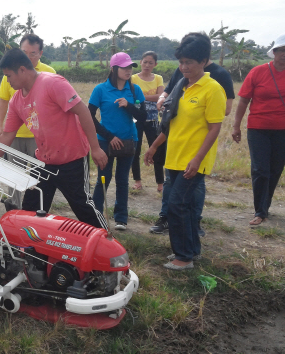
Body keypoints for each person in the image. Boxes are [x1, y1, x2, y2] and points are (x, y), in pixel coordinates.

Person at [0, 48, 108, 229]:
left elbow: (83, 111)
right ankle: (33, 248)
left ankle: (108, 244)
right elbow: (8, 134)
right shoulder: (16, 100)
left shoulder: (52, 83)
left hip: (72, 159)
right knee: (31, 207)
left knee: (83, 207)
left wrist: (96, 148)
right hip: (44, 162)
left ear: (22, 70)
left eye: (9, 76)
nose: (7, 81)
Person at [144, 33, 226, 270]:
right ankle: (191, 250)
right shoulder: (182, 86)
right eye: (181, 62)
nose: (184, 67)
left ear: (204, 61)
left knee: (176, 204)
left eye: (189, 62)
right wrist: (154, 146)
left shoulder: (212, 89)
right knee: (185, 206)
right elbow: (171, 124)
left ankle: (183, 257)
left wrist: (198, 158)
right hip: (175, 157)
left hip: (194, 160)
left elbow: (214, 128)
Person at [0, 33, 56, 208]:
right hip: (14, 134)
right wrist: (0, 126)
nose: (28, 57)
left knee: (39, 173)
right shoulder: (10, 72)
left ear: (40, 53)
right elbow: (3, 100)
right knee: (13, 172)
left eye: (33, 53)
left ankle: (37, 208)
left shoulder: (49, 74)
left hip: (39, 136)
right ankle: (13, 207)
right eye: (24, 52)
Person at [231, 34, 285, 226]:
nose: (284, 55)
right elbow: (244, 100)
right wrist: (236, 125)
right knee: (261, 170)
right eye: (282, 50)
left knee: (275, 169)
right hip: (258, 128)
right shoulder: (258, 72)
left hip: (282, 130)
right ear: (275, 52)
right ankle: (260, 211)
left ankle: (266, 205)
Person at [89, 52, 147, 231]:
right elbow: (89, 116)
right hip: (105, 142)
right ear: (113, 69)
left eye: (130, 67)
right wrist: (109, 136)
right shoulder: (100, 89)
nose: (128, 70)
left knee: (123, 180)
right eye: (124, 67)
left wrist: (128, 105)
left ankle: (121, 218)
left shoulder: (135, 90)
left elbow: (143, 116)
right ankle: (94, 216)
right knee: (103, 179)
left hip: (129, 141)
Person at [130, 51, 166, 192]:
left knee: (156, 149)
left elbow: (161, 97)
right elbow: (132, 97)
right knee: (135, 150)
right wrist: (151, 97)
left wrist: (142, 97)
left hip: (153, 119)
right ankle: (137, 181)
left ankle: (160, 183)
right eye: (145, 62)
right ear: (140, 62)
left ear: (155, 64)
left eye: (150, 62)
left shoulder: (158, 78)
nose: (147, 65)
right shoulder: (133, 78)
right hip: (136, 118)